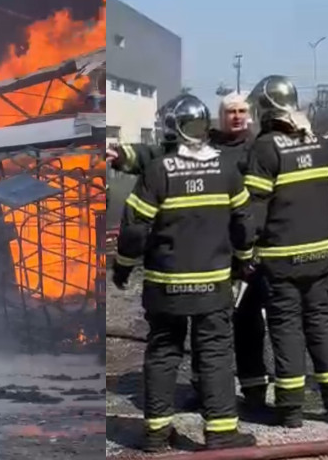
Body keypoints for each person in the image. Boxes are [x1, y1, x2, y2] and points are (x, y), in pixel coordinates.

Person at [111, 94, 257, 452]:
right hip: (213, 285)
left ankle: (157, 434)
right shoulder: (225, 170)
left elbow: (134, 228)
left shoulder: (158, 171)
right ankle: (221, 432)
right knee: (215, 354)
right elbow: (244, 223)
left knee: (163, 353)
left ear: (172, 129)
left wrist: (123, 267)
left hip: (165, 286)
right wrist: (244, 260)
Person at [243, 75, 328, 428]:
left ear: (265, 109)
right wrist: (323, 227)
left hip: (281, 259)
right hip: (319, 254)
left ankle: (290, 409)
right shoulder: (319, 143)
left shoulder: (265, 149)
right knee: (321, 323)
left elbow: (253, 209)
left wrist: (244, 248)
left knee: (286, 327)